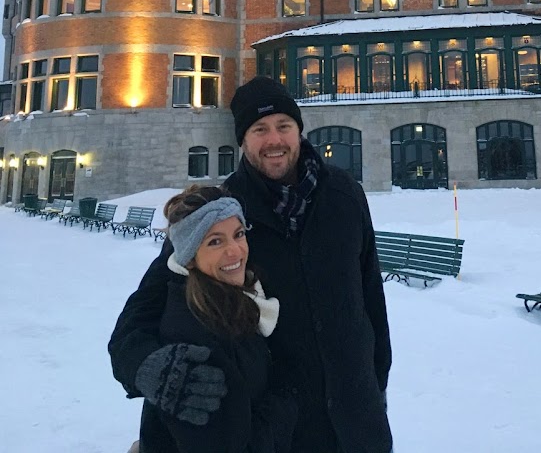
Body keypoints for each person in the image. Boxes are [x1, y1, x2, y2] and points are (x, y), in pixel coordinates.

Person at [109, 76, 393, 453]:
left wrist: (377, 380)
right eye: (259, 129)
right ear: (242, 140)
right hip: (279, 429)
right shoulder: (221, 211)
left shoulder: (344, 194)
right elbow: (143, 311)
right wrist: (145, 364)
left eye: (283, 126)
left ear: (298, 130)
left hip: (357, 421)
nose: (274, 140)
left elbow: (371, 294)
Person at [131, 184, 293, 453]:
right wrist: (287, 399)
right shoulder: (201, 333)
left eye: (238, 234)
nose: (235, 251)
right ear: (189, 258)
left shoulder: (235, 302)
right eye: (215, 241)